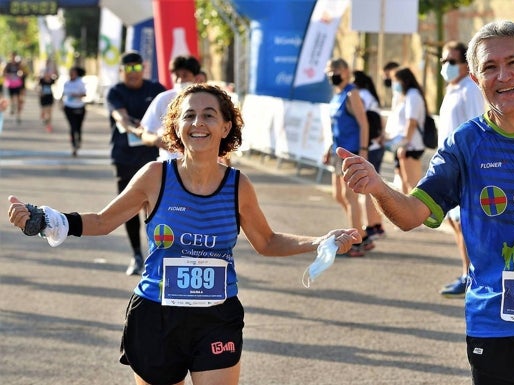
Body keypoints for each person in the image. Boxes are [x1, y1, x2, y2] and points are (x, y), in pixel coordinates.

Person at [7, 83, 361, 385]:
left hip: (216, 317)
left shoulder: (239, 186)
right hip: (156, 316)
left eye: (209, 114)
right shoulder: (155, 176)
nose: (198, 122)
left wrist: (319, 241)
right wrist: (48, 220)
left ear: (225, 127)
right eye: (189, 115)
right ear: (176, 127)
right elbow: (103, 220)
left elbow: (266, 242)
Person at [338, 20, 514, 385]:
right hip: (496, 323)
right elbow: (411, 216)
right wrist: (378, 188)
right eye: (490, 67)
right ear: (475, 79)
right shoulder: (464, 146)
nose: (503, 76)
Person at [106, 51, 166, 275]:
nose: (133, 73)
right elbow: (119, 116)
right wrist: (136, 130)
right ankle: (136, 254)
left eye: (136, 67)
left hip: (154, 159)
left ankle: (157, 256)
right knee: (129, 209)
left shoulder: (156, 90)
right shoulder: (116, 92)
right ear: (121, 71)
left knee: (156, 209)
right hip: (125, 158)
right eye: (127, 68)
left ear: (144, 68)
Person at [437, 41, 486, 298]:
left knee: (466, 224)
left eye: (451, 61)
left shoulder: (470, 89)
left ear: (466, 64)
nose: (446, 66)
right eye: (444, 61)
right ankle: (466, 272)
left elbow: (476, 129)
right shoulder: (452, 89)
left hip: (465, 169)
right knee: (456, 224)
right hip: (450, 168)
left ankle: (473, 276)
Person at [323, 58, 374, 257]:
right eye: (329, 70)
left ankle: (356, 242)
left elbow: (364, 123)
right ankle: (360, 232)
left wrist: (363, 151)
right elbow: (337, 126)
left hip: (351, 151)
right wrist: (328, 148)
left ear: (346, 71)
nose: (331, 74)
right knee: (338, 195)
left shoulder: (352, 93)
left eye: (335, 70)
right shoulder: (337, 95)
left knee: (350, 196)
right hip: (337, 150)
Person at [139, 55, 203, 161]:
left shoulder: (207, 100)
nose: (179, 80)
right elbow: (145, 134)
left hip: (199, 163)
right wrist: (157, 140)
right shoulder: (163, 99)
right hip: (169, 163)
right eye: (176, 75)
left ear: (196, 78)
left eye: (185, 75)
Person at [353, 70, 386, 240]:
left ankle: (371, 225)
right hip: (375, 145)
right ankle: (377, 224)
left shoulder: (360, 95)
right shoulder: (371, 95)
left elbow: (361, 122)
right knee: (373, 187)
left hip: (368, 147)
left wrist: (362, 147)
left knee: (367, 189)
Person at [385, 67, 428, 194]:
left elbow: (412, 122)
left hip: (411, 146)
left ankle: (418, 213)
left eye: (396, 81)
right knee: (403, 182)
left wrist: (404, 145)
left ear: (404, 81)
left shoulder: (413, 95)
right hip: (405, 145)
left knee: (413, 185)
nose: (394, 84)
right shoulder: (405, 96)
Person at [61, 66, 87, 156]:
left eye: (73, 73)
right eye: (70, 73)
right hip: (69, 107)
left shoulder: (80, 82)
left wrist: (77, 95)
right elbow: (63, 94)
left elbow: (84, 94)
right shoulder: (67, 83)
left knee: (78, 127)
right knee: (72, 127)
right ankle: (74, 146)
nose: (71, 74)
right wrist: (61, 103)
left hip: (79, 107)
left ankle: (78, 140)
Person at [2, 52, 29, 124]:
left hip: (18, 84)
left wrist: (21, 73)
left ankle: (18, 115)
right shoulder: (8, 65)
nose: (13, 58)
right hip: (11, 84)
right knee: (11, 98)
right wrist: (9, 75)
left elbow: (24, 72)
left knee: (18, 99)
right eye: (12, 57)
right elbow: (4, 73)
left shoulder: (18, 65)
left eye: (14, 56)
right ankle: (12, 107)